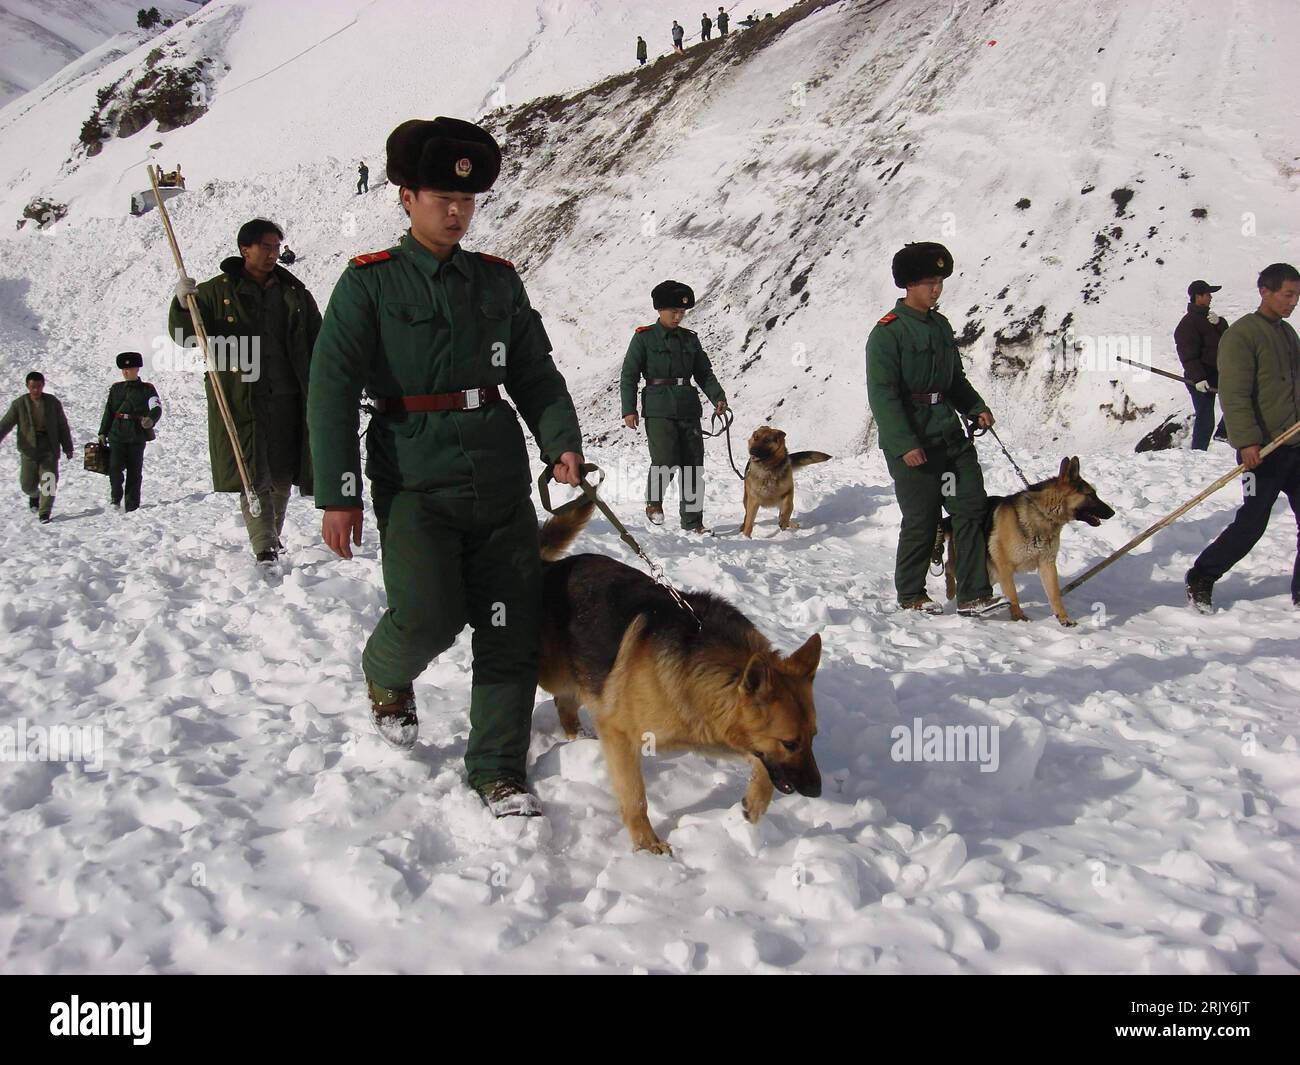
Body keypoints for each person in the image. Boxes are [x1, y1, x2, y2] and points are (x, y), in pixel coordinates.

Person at [308, 117, 585, 818]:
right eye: (440, 197)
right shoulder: (368, 284)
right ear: (406, 197)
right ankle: (384, 669)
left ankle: (496, 769)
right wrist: (338, 493)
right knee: (431, 614)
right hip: (413, 480)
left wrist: (561, 442)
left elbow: (534, 371)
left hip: (497, 477)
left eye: (467, 201)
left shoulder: (497, 282)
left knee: (509, 626)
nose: (456, 211)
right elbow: (331, 388)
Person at [169, 218, 321, 564]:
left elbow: (319, 339)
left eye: (276, 248)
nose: (272, 254)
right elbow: (185, 337)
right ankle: (264, 547)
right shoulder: (215, 293)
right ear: (244, 249)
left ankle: (272, 537)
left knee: (283, 473)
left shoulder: (294, 292)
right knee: (253, 472)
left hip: (290, 397)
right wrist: (181, 306)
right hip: (241, 398)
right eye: (266, 247)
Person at [866, 242, 1000, 616]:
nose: (936, 289)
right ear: (908, 285)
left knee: (970, 508)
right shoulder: (887, 334)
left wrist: (975, 407)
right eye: (928, 282)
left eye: (939, 280)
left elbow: (953, 380)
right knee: (922, 519)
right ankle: (911, 592)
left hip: (949, 438)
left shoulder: (941, 326)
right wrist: (904, 442)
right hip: (914, 443)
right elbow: (883, 395)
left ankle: (974, 592)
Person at [1186, 263, 1300, 612]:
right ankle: (1202, 575)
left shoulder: (1288, 333)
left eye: (1296, 296)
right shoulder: (1242, 335)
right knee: (1251, 524)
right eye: (1288, 295)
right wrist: (1247, 442)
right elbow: (1233, 394)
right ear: (1265, 292)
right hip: (1263, 451)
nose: (1293, 302)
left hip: (1294, 446)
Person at [620, 280, 727, 533]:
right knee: (665, 460)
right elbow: (629, 375)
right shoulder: (643, 338)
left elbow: (704, 373)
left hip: (688, 409)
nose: (678, 316)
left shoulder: (690, 340)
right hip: (658, 410)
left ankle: (693, 523)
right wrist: (629, 409)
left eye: (682, 312)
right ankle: (654, 503)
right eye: (673, 311)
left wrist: (718, 397)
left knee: (693, 466)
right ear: (660, 309)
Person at [0, 371, 73, 523]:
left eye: (39, 386)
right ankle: (34, 495)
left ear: (43, 386)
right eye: (33, 387)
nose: (36, 390)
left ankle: (45, 512)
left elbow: (62, 426)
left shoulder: (53, 403)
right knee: (27, 484)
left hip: (49, 447)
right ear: (28, 386)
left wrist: (68, 446)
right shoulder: (19, 404)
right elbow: (6, 424)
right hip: (29, 449)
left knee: (49, 479)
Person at [97, 352, 162, 513]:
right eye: (124, 369)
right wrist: (102, 432)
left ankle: (132, 504)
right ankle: (115, 498)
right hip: (117, 433)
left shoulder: (147, 389)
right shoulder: (116, 388)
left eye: (129, 368)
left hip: (136, 434)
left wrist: (150, 419)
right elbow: (109, 411)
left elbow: (156, 407)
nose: (126, 372)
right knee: (115, 467)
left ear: (137, 369)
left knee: (134, 470)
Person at [1174, 279, 1228, 450]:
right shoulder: (1188, 324)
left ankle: (1223, 433)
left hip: (1216, 373)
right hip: (1199, 378)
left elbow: (1228, 338)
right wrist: (1198, 378)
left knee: (1240, 397)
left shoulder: (1209, 319)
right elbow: (1188, 354)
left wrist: (1220, 323)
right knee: (1205, 418)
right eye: (1208, 294)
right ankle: (1198, 453)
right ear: (1198, 297)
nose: (1211, 297)